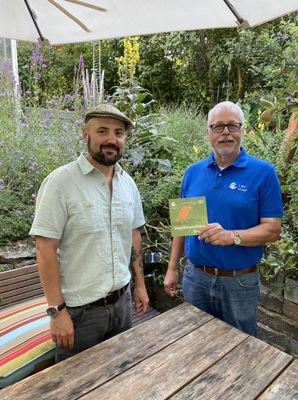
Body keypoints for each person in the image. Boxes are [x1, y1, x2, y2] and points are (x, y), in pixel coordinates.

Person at [30, 104, 149, 362]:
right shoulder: (60, 183)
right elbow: (44, 249)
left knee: (121, 376)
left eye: (118, 133)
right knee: (78, 388)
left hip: (122, 304)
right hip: (80, 314)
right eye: (102, 131)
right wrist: (56, 312)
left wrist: (140, 285)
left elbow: (134, 236)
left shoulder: (127, 184)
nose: (111, 139)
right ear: (86, 135)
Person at [164, 101, 283, 336]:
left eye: (232, 125)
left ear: (242, 130)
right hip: (195, 278)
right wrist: (171, 269)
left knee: (239, 348)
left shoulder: (263, 172)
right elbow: (181, 226)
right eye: (218, 127)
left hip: (239, 283)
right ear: (208, 133)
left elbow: (273, 230)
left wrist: (231, 236)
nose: (225, 132)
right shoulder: (193, 172)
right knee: (194, 344)